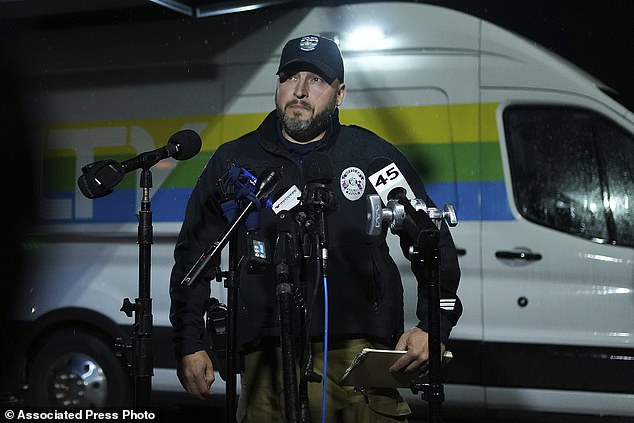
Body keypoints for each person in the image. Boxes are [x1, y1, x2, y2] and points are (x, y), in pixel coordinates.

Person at [169, 34, 462, 422]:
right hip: (264, 358)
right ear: (277, 85)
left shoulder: (371, 157)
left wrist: (433, 326)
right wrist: (190, 341)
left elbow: (431, 239)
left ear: (340, 94)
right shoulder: (234, 161)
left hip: (356, 357)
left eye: (317, 81)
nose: (301, 91)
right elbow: (194, 255)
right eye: (290, 78)